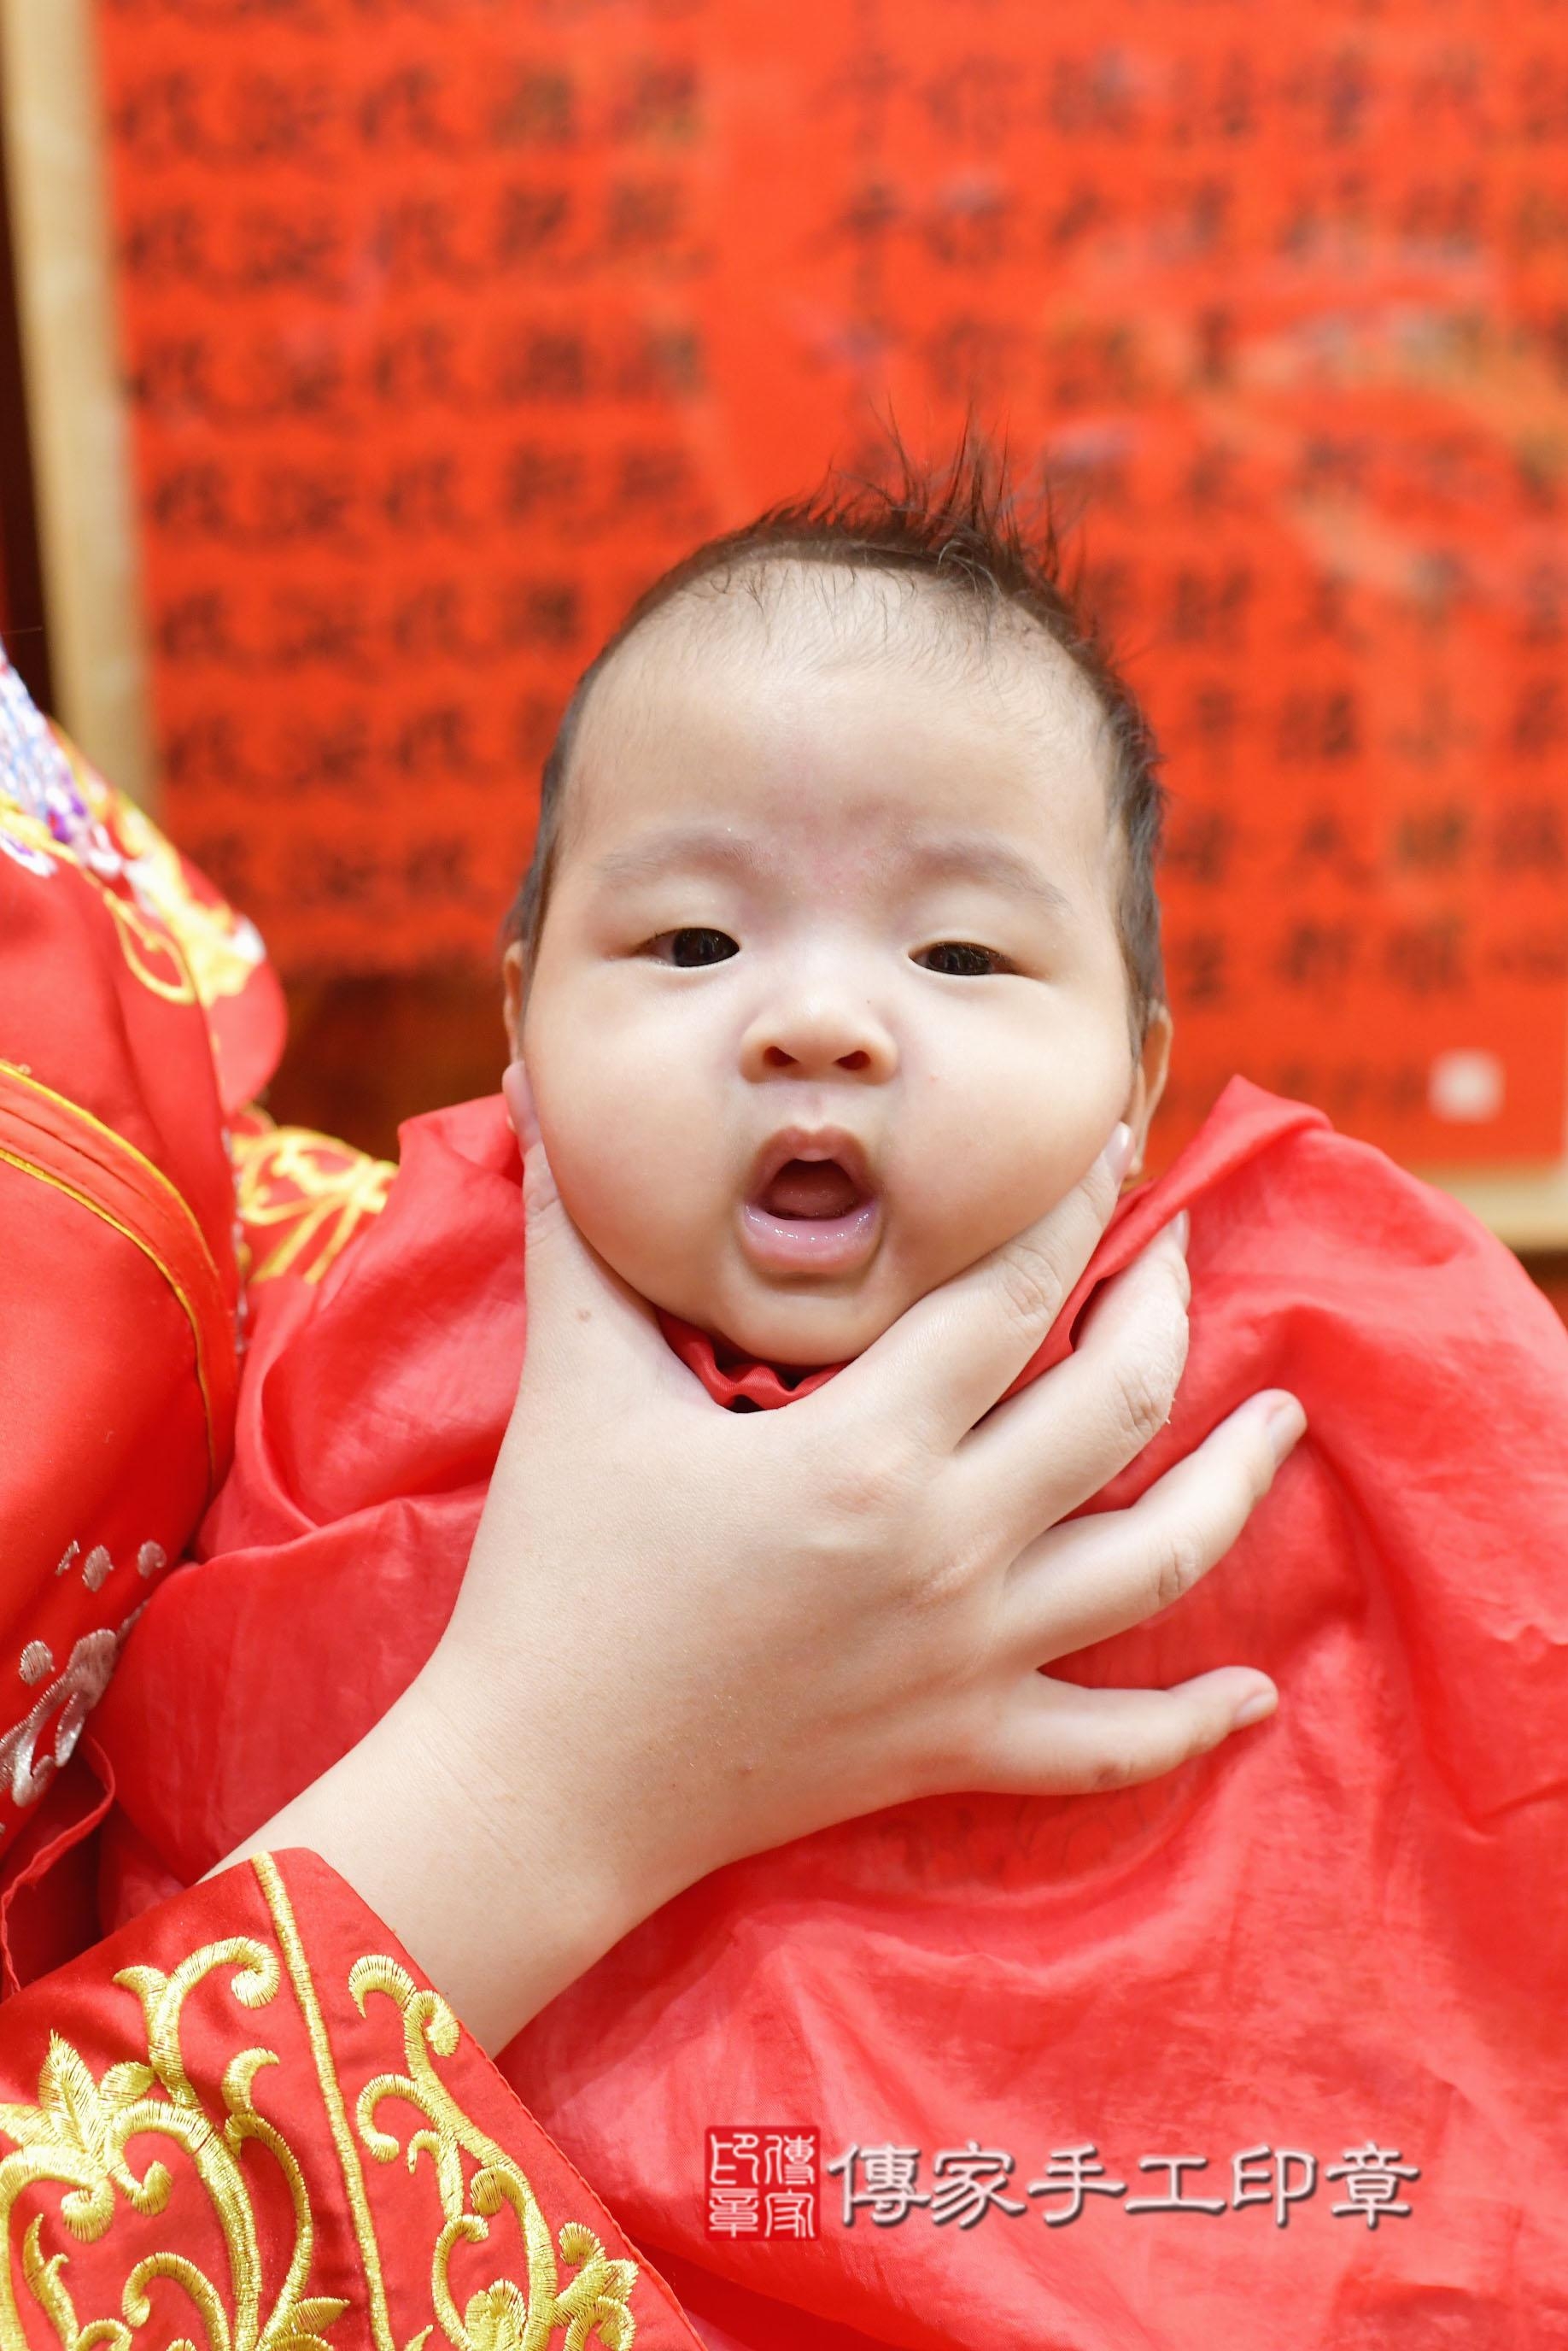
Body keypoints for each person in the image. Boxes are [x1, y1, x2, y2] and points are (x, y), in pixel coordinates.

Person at [83, 449, 1568, 2347]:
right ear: (522, 1026)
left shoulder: (1314, 1349)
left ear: (1139, 1073)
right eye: (692, 941)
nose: (819, 1020)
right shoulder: (355, 1349)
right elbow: (217, 1756)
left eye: (958, 952)